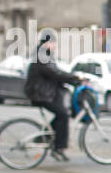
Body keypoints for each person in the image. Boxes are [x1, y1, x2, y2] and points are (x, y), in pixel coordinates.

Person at [23, 34, 81, 162]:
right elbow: (55, 73)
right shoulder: (41, 57)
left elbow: (55, 71)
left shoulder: (44, 55)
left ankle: (47, 136)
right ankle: (58, 148)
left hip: (46, 93)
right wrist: (75, 78)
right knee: (63, 115)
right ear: (45, 43)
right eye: (52, 43)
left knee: (61, 114)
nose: (54, 46)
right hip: (40, 94)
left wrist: (72, 79)